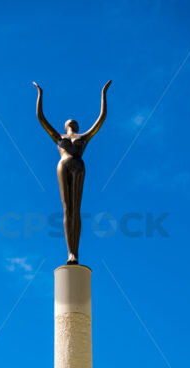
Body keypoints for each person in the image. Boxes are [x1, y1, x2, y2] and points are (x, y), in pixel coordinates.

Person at [33, 80, 112, 264]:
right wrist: (40, 94)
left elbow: (101, 118)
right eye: (69, 121)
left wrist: (103, 94)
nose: (72, 121)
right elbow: (41, 117)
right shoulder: (58, 136)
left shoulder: (84, 137)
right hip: (63, 165)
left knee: (76, 209)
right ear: (65, 125)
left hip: (78, 165)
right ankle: (70, 252)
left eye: (74, 122)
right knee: (67, 209)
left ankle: (74, 253)